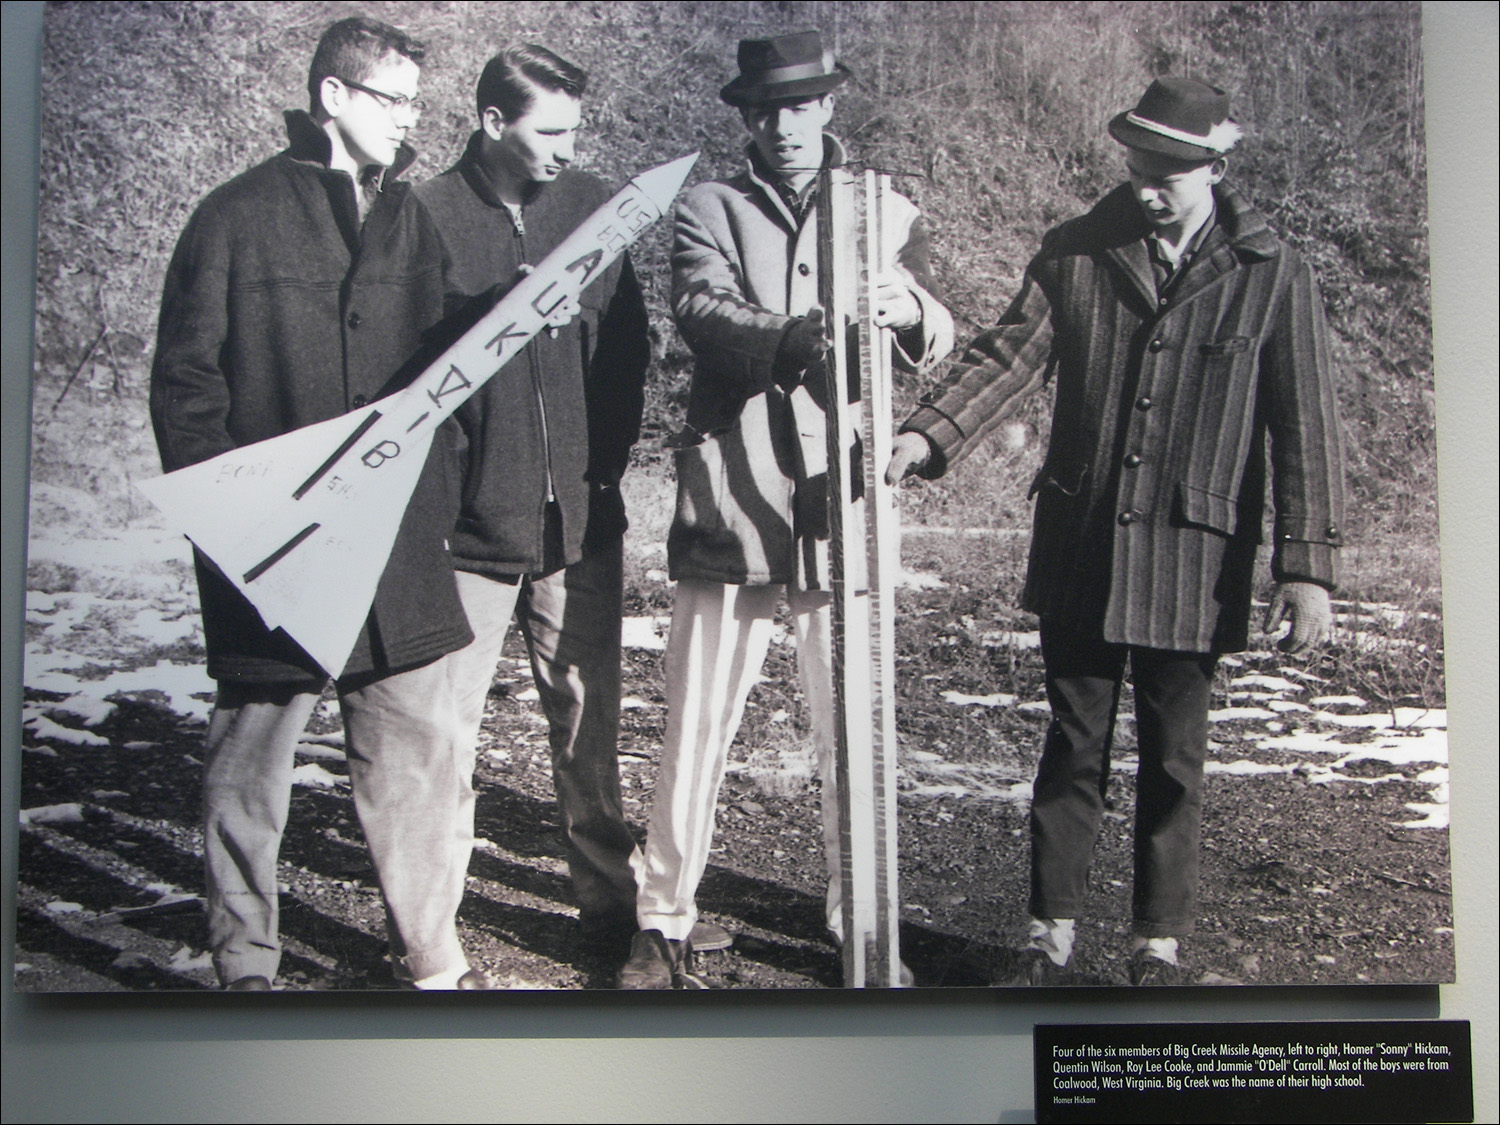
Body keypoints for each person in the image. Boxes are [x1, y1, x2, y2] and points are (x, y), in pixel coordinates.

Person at [886, 77, 1347, 985]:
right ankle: (1046, 939)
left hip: (1196, 558)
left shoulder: (1272, 274)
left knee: (1177, 758)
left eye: (1169, 172)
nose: (1147, 186)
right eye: (1138, 166)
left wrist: (1308, 568)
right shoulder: (1077, 252)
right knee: (1072, 743)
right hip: (1082, 545)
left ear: (1214, 168)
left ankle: (1156, 949)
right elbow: (1009, 355)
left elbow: (1307, 429)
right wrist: (927, 432)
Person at [150, 16, 489, 990]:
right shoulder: (234, 216)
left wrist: (436, 497)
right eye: (391, 99)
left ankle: (431, 961)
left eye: (417, 104)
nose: (408, 120)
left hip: (398, 556)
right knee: (249, 771)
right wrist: (244, 523)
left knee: (416, 763)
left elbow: (447, 374)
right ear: (333, 97)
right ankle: (244, 964)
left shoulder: (412, 219)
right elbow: (185, 390)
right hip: (276, 552)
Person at [619, 30, 954, 988]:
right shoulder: (710, 207)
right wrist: (801, 339)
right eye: (766, 109)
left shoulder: (884, 205)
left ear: (829, 107)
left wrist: (910, 312)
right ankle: (663, 915)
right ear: (748, 119)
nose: (785, 125)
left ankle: (861, 920)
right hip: (735, 492)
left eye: (802, 106)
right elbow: (702, 310)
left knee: (853, 719)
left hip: (843, 500)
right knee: (698, 718)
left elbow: (939, 322)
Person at [414, 45, 705, 958]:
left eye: (575, 130)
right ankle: (433, 933)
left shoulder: (593, 208)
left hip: (581, 521)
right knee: (445, 732)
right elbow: (410, 378)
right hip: (465, 531)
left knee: (589, 719)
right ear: (493, 123)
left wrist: (600, 473)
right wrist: (452, 490)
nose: (566, 149)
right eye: (550, 131)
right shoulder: (420, 219)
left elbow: (626, 355)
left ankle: (609, 914)